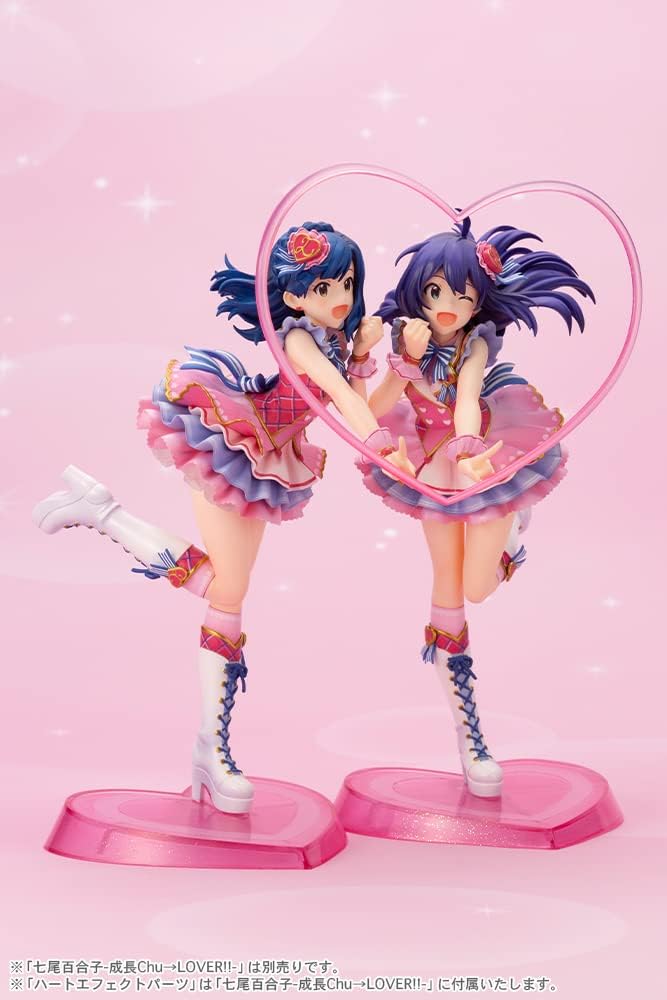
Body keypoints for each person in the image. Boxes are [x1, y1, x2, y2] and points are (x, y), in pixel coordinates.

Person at [33, 221, 413, 815]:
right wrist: (382, 450)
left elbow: (365, 405)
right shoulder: (301, 341)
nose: (339, 296)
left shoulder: (335, 341)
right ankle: (103, 513)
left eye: (345, 282)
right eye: (322, 287)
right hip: (235, 439)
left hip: (270, 454)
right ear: (293, 297)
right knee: (226, 591)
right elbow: (344, 404)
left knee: (229, 597)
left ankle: (209, 751)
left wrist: (386, 362)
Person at [357, 217, 594, 797]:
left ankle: (511, 534)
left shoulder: (475, 341)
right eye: (437, 291)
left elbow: (467, 398)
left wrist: (468, 455)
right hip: (429, 460)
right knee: (448, 587)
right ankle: (472, 740)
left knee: (480, 588)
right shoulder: (404, 336)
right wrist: (403, 362)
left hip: (481, 450)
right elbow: (377, 407)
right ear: (418, 290)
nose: (449, 306)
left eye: (463, 296)